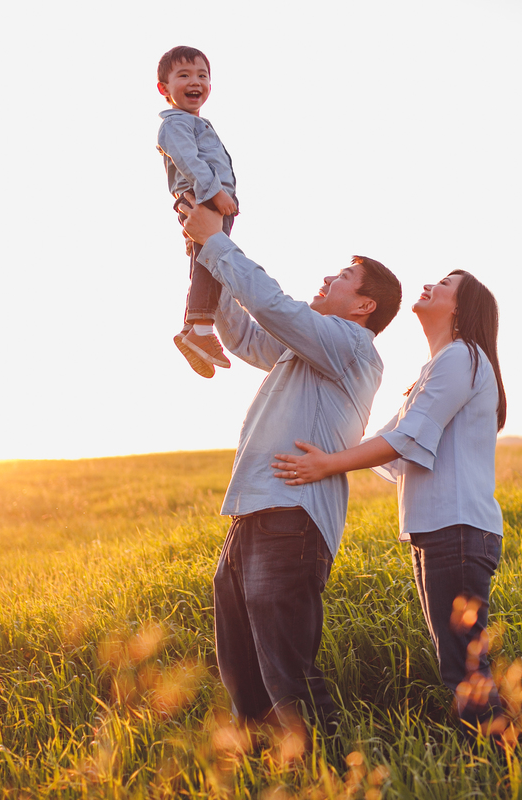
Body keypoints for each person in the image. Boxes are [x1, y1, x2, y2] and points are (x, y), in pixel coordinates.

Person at [178, 196, 402, 748]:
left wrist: (219, 242)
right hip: (253, 515)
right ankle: (269, 773)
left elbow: (273, 307)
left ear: (364, 306)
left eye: (345, 276)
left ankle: (335, 773)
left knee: (287, 676)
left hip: (292, 520)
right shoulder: (303, 349)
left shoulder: (351, 347)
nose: (329, 276)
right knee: (244, 674)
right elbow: (240, 330)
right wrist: (201, 247)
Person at [270, 269, 508, 736]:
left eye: (444, 285)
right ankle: (495, 759)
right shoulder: (441, 366)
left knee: (463, 670)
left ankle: (504, 766)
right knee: (459, 664)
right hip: (440, 534)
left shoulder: (461, 357)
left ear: (460, 309)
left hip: (457, 533)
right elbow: (387, 438)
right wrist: (328, 431)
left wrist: (328, 464)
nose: (430, 285)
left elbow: (404, 439)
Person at [156, 45, 238, 378]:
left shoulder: (196, 123)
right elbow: (189, 162)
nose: (195, 82)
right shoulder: (175, 124)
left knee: (208, 263)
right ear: (164, 88)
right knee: (212, 262)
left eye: (202, 76)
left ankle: (194, 328)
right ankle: (201, 329)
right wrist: (215, 193)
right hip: (204, 198)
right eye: (184, 75)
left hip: (209, 200)